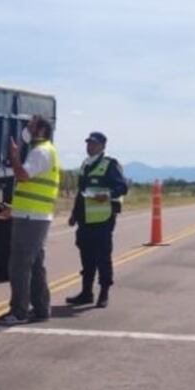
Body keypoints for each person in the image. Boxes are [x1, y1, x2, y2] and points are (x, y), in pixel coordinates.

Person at [0, 114, 60, 326]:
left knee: (20, 264)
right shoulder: (44, 151)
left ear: (40, 130)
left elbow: (23, 175)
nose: (27, 128)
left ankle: (19, 311)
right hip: (33, 215)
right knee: (36, 264)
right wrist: (15, 209)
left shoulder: (40, 152)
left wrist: (14, 156)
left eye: (31, 125)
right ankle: (41, 308)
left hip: (32, 219)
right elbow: (32, 189)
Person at [66, 131, 128, 308]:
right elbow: (81, 193)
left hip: (103, 218)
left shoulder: (109, 164)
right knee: (86, 256)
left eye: (93, 144)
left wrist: (107, 195)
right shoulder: (85, 165)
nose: (89, 146)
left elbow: (122, 187)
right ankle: (86, 292)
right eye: (88, 143)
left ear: (102, 146)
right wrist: (74, 214)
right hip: (85, 218)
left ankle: (104, 293)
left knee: (103, 256)